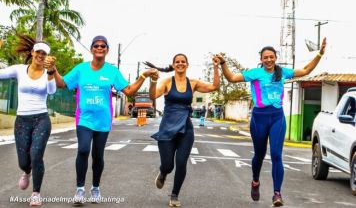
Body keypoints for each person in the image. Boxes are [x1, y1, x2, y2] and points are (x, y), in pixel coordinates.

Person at [216, 37, 327, 207]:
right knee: (259, 155)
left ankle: (277, 194)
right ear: (261, 60)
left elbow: (305, 70)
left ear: (276, 57)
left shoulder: (282, 72)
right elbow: (231, 77)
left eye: (271, 57)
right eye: (265, 57)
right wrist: (223, 63)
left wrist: (319, 54)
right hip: (259, 118)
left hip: (277, 117)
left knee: (276, 155)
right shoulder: (255, 73)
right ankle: (255, 181)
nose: (268, 60)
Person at [49, 35, 158, 204]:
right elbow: (62, 83)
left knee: (98, 156)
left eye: (103, 46)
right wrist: (53, 70)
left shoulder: (112, 71)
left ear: (107, 50)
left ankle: (95, 188)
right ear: (92, 49)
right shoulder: (81, 69)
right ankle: (79, 190)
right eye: (96, 46)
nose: (99, 48)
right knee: (83, 150)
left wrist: (143, 76)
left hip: (103, 121)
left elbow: (129, 91)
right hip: (84, 119)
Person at [144, 53, 220, 207]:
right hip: (167, 127)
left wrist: (216, 67)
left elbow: (214, 86)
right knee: (168, 165)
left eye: (183, 61)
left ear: (187, 64)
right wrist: (153, 81)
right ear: (173, 65)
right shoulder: (166, 82)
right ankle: (163, 172)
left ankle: (174, 195)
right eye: (177, 62)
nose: (180, 64)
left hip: (186, 128)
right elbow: (153, 95)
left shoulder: (192, 83)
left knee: (181, 163)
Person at [0, 34, 57, 206]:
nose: (41, 55)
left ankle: (36, 193)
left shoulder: (48, 72)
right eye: (38, 52)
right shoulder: (18, 69)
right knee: (24, 162)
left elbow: (52, 90)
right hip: (22, 121)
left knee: (36, 155)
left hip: (41, 119)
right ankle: (26, 172)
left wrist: (51, 72)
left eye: (44, 54)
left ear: (47, 57)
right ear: (32, 53)